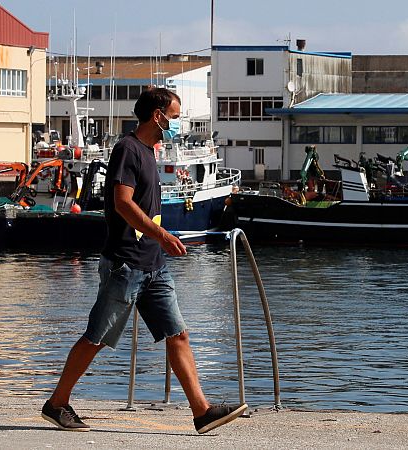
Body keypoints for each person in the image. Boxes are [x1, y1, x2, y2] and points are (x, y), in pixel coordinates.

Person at [41, 88, 247, 433]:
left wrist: (158, 242)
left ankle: (202, 412)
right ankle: (57, 403)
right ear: (157, 115)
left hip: (153, 266)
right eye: (175, 117)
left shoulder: (150, 151)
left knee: (178, 334)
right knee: (96, 337)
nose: (177, 124)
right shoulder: (128, 149)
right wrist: (162, 235)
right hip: (125, 265)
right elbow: (122, 203)